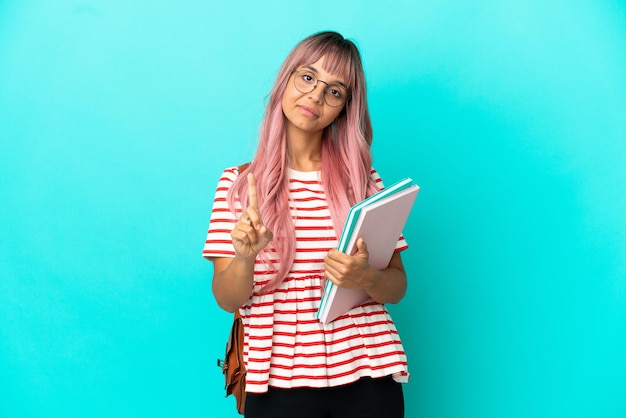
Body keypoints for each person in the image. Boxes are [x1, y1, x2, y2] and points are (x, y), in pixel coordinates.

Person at [203, 31, 409, 418]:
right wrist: (246, 257)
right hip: (277, 378)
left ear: (344, 108)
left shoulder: (363, 183)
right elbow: (228, 299)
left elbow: (397, 286)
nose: (315, 96)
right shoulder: (237, 184)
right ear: (286, 80)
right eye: (308, 77)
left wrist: (365, 276)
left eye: (334, 91)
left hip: (369, 370)